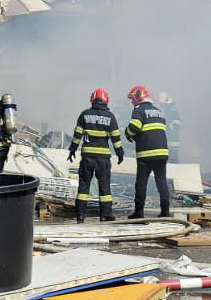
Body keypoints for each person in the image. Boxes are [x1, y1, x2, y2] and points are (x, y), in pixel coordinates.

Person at [67, 88, 124, 223]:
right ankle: (105, 215)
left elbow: (77, 136)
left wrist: (72, 150)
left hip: (87, 157)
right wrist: (120, 153)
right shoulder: (110, 117)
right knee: (104, 186)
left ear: (92, 99)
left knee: (84, 187)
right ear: (106, 100)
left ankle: (80, 215)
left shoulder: (84, 115)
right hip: (103, 158)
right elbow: (116, 138)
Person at [124, 85, 171, 218]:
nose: (132, 102)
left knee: (141, 183)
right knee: (162, 182)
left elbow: (134, 126)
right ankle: (165, 212)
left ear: (139, 98)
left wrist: (127, 133)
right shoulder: (158, 110)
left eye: (133, 99)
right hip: (162, 153)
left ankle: (139, 213)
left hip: (146, 153)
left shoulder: (139, 109)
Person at [158, 92, 181, 160]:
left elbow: (175, 128)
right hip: (163, 144)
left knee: (172, 163)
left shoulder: (173, 114)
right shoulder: (160, 114)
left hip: (172, 144)